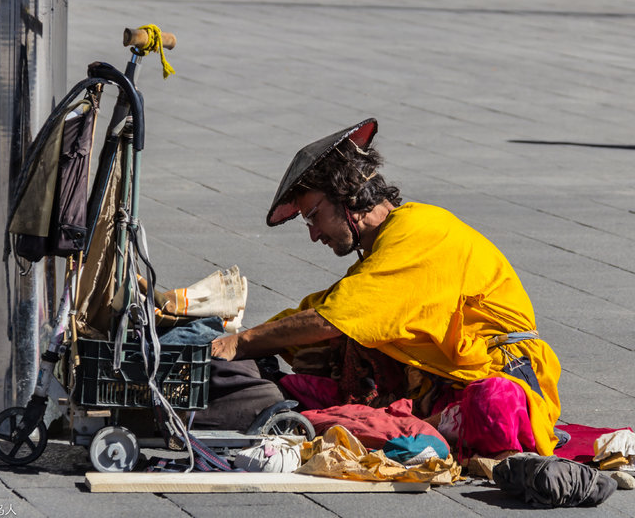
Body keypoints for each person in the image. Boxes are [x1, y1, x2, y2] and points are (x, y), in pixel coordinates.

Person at [211, 118, 563, 457]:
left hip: (501, 378)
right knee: (308, 377)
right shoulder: (386, 246)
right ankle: (426, 427)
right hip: (438, 385)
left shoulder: (419, 230)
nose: (314, 234)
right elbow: (321, 307)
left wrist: (242, 342)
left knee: (494, 402)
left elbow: (333, 317)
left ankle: (429, 427)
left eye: (313, 216)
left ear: (348, 195)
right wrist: (238, 337)